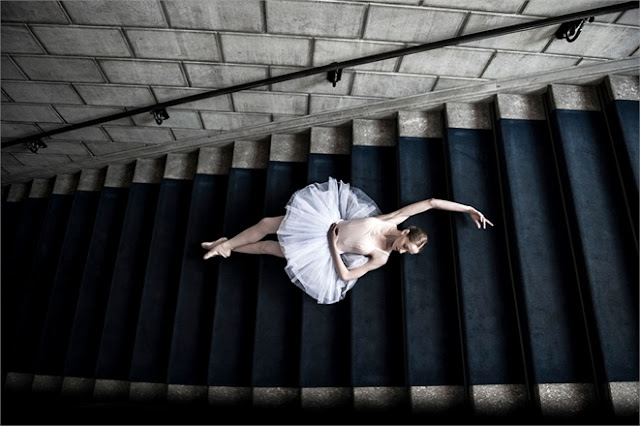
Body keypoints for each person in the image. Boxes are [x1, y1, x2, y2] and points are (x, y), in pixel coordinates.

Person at [202, 177, 493, 304]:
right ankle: (226, 244)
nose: (403, 252)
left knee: (268, 247)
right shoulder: (391, 219)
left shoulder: (381, 258)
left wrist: (332, 243)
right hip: (323, 219)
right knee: (267, 223)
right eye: (406, 247)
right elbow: (430, 202)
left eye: (408, 253)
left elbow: (345, 274)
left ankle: (227, 246)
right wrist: (467, 208)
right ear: (405, 233)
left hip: (325, 248)